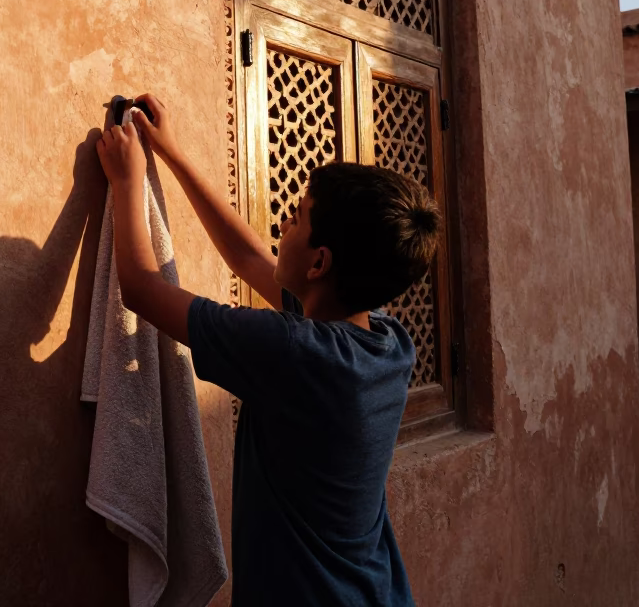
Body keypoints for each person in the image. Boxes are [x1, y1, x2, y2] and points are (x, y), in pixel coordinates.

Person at [95, 93, 440, 607]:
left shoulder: (294, 353)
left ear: (319, 263)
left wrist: (127, 181)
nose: (283, 226)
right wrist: (173, 153)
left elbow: (143, 290)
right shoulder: (388, 344)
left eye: (297, 218)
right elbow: (248, 257)